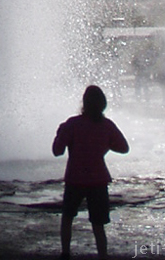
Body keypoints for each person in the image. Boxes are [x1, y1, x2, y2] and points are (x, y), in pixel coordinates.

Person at [52, 84, 129, 259]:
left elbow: (57, 151)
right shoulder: (107, 126)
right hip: (98, 179)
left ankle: (65, 253)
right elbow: (124, 148)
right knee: (98, 224)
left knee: (67, 218)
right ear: (103, 104)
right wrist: (104, 145)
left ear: (84, 103)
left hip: (75, 179)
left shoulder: (72, 124)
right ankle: (103, 255)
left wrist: (59, 134)